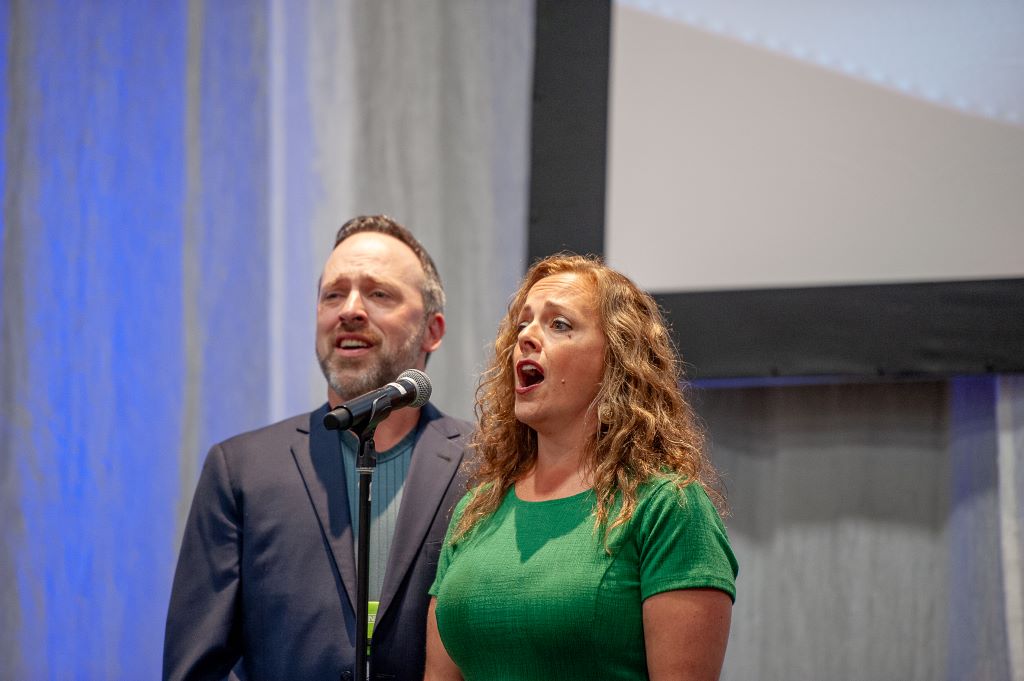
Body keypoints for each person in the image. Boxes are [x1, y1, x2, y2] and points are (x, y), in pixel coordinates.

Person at [164, 215, 473, 681]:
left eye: (378, 293)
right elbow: (197, 667)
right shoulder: (242, 471)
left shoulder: (487, 463)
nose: (350, 309)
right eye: (333, 294)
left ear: (432, 329)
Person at [425, 254, 738, 681]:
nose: (527, 337)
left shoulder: (666, 508)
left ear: (617, 361)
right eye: (523, 324)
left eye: (559, 325)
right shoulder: (475, 512)